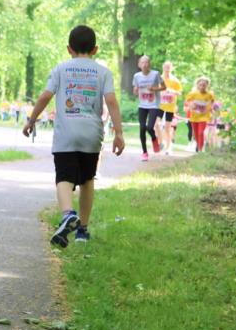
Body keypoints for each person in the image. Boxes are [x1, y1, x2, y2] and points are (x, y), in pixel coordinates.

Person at [23, 25, 124, 247]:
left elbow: (44, 97)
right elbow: (112, 102)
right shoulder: (103, 72)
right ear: (95, 49)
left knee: (64, 178)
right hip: (91, 134)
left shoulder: (60, 69)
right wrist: (119, 133)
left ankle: (68, 213)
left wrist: (31, 120)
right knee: (88, 179)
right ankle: (82, 231)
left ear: (69, 49)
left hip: (66, 134)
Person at [132, 55, 166, 161]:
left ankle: (154, 139)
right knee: (142, 128)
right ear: (139, 65)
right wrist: (136, 91)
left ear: (149, 64)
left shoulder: (155, 74)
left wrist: (154, 88)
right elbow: (134, 90)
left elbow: (164, 87)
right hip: (142, 105)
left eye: (146, 62)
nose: (145, 64)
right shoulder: (137, 76)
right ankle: (145, 153)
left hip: (154, 105)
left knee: (150, 127)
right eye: (142, 62)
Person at [184, 77, 215, 153]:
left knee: (201, 132)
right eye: (200, 85)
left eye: (204, 85)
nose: (202, 87)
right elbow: (187, 101)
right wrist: (191, 105)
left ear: (207, 85)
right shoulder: (193, 94)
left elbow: (212, 103)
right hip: (194, 117)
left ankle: (201, 149)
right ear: (197, 85)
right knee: (196, 134)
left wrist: (211, 110)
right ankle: (198, 146)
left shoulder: (209, 95)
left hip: (204, 117)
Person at [158, 61, 183, 155]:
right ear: (163, 67)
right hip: (160, 106)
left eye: (169, 67)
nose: (167, 68)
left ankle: (169, 148)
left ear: (171, 68)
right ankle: (162, 141)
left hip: (170, 107)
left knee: (168, 128)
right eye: (165, 67)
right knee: (156, 124)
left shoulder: (175, 80)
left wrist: (172, 91)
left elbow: (180, 92)